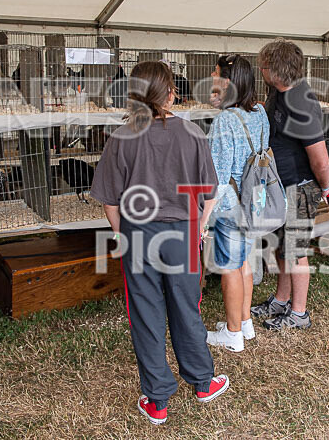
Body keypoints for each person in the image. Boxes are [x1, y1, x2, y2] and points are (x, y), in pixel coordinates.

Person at [90, 61, 228, 425]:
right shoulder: (192, 133)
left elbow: (109, 200)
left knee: (146, 315)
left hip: (139, 234)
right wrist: (198, 229)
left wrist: (124, 235)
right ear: (169, 93)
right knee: (187, 307)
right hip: (183, 234)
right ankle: (202, 383)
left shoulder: (121, 137)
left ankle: (157, 400)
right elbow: (210, 192)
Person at [249, 38, 329, 331]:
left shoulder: (302, 102)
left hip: (301, 186)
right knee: (283, 248)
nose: (261, 70)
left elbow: (320, 158)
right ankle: (281, 300)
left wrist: (323, 187)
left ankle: (299, 314)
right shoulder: (278, 93)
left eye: (264, 66)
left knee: (295, 250)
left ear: (275, 69)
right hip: (280, 186)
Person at [204, 55, 268, 352]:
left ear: (227, 82)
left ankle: (232, 335)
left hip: (231, 201)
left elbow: (216, 175)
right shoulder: (260, 112)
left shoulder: (224, 121)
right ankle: (244, 322)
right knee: (244, 260)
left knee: (229, 266)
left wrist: (204, 217)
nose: (212, 79)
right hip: (256, 196)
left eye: (216, 75)